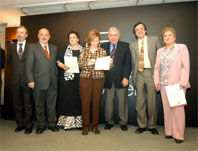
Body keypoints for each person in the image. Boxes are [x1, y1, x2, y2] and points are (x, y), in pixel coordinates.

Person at [154, 27, 190, 144]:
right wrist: (156, 81)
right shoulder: (160, 51)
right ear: (163, 38)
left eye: (170, 35)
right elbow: (157, 68)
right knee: (167, 109)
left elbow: (186, 66)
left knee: (178, 110)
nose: (167, 37)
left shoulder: (181, 48)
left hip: (177, 85)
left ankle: (178, 135)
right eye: (165, 35)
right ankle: (169, 132)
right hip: (163, 84)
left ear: (174, 37)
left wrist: (183, 82)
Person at [25, 28, 59, 134]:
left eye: (46, 35)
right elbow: (28, 66)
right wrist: (30, 80)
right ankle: (41, 125)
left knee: (51, 105)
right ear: (38, 36)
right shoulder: (32, 47)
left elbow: (54, 64)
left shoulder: (54, 48)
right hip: (38, 82)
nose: (44, 37)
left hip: (53, 81)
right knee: (39, 105)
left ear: (49, 36)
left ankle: (52, 124)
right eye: (42, 34)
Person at [130, 22, 161, 135]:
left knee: (152, 102)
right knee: (139, 103)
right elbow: (133, 63)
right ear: (135, 33)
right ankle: (142, 125)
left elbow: (160, 59)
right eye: (137, 30)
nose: (139, 31)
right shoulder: (132, 46)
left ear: (145, 30)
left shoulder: (154, 40)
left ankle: (152, 125)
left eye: (141, 29)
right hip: (138, 74)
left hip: (151, 73)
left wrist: (159, 76)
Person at [79, 29, 112, 135]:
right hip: (85, 78)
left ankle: (95, 126)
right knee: (85, 104)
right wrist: (88, 63)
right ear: (89, 40)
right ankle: (85, 127)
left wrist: (110, 63)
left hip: (98, 79)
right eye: (93, 40)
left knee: (96, 104)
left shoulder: (102, 51)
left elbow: (106, 67)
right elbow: (79, 64)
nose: (95, 42)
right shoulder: (84, 50)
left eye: (97, 40)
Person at [101, 27, 132, 131]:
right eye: (111, 35)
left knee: (122, 102)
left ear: (118, 36)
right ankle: (109, 122)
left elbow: (128, 63)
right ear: (108, 36)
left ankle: (123, 122)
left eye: (115, 35)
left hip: (121, 79)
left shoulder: (125, 46)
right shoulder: (103, 46)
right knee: (108, 103)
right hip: (108, 79)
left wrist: (126, 77)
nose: (113, 37)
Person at [7, 26, 33, 134]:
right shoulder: (11, 47)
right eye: (18, 32)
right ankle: (20, 124)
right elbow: (9, 62)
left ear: (26, 35)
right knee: (17, 104)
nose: (19, 34)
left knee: (28, 104)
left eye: (22, 32)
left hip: (27, 79)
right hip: (14, 79)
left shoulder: (32, 46)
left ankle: (28, 126)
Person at [56, 31, 83, 130]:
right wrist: (63, 66)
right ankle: (68, 123)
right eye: (70, 38)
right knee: (68, 99)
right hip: (67, 79)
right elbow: (58, 61)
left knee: (78, 99)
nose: (72, 39)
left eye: (74, 37)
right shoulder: (64, 49)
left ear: (78, 39)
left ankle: (79, 123)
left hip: (80, 78)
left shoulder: (83, 49)